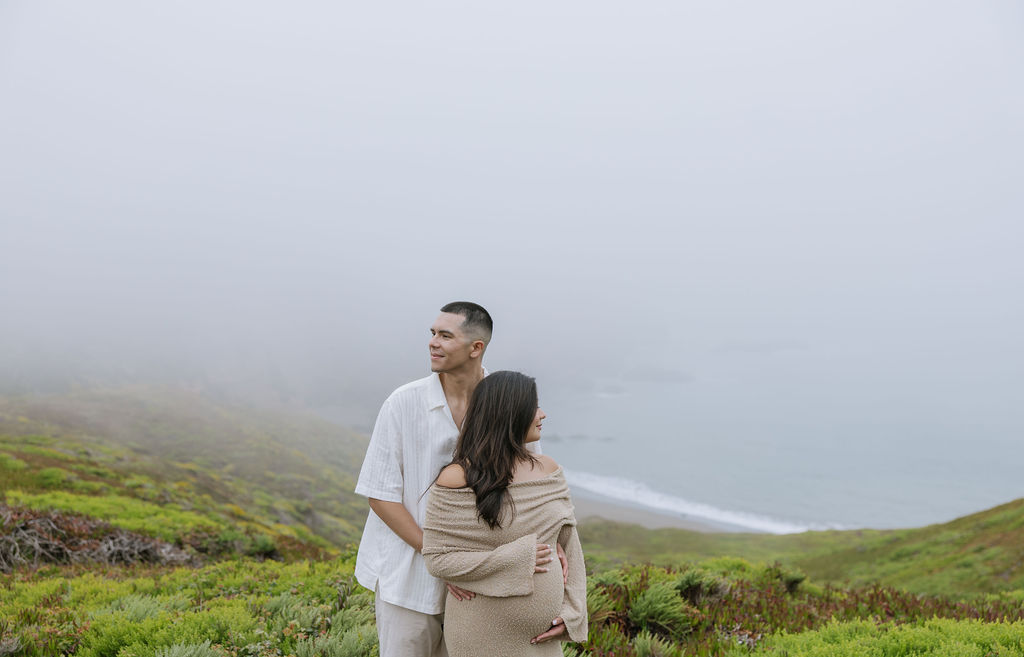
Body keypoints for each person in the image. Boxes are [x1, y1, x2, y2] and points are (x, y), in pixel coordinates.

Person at [421, 371, 588, 657]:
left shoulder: (548, 469)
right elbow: (438, 560)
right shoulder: (457, 478)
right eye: (534, 406)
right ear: (509, 413)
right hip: (481, 633)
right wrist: (516, 558)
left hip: (545, 638)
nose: (543, 414)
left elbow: (570, 544)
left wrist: (573, 612)